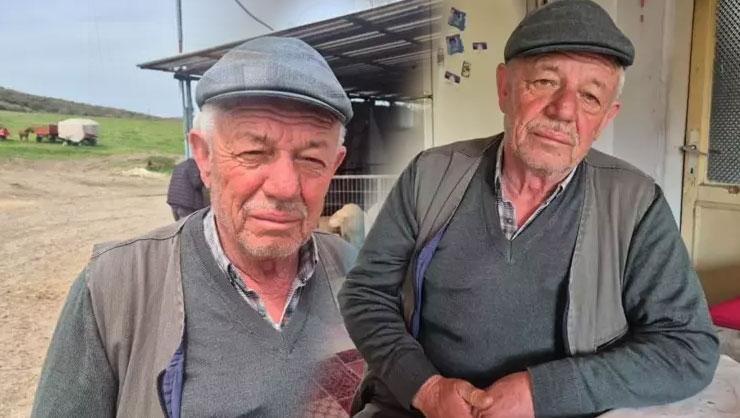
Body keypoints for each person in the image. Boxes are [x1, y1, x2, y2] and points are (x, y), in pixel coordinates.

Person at [338, 1, 719, 417]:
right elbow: (364, 292)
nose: (564, 110)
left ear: (606, 118)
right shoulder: (430, 175)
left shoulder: (636, 204)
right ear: (504, 88)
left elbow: (689, 347)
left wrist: (543, 393)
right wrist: (425, 389)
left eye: (590, 96)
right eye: (544, 81)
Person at [33, 36, 357, 418]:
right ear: (204, 156)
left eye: (311, 159)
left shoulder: (359, 271)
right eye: (254, 153)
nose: (285, 187)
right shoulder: (114, 287)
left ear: (335, 165)